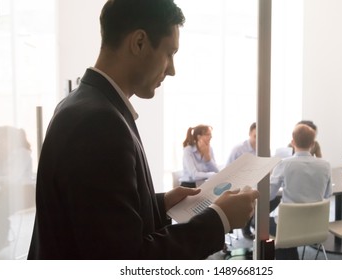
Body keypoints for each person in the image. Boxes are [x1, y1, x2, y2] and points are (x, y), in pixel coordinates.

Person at [28, 0, 259, 260]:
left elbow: (95, 221)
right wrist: (220, 219)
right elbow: (127, 260)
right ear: (138, 43)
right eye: (170, 53)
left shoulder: (81, 104)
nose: (172, 70)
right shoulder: (99, 123)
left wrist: (159, 205)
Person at [269, 124, 332, 259]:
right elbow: (327, 195)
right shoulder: (325, 165)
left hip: (289, 226)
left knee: (261, 223)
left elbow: (269, 195)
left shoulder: (284, 164)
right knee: (285, 228)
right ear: (313, 143)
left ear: (292, 142)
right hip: (316, 226)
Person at [0, 126, 34, 252]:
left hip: (24, 193)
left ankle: (3, 240)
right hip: (7, 192)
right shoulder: (4, 153)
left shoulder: (22, 153)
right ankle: (1, 235)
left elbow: (12, 179)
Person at [226, 122, 257, 239]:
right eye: (255, 136)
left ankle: (253, 222)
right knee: (252, 198)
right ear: (249, 134)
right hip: (237, 184)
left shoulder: (264, 148)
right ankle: (247, 226)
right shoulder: (238, 149)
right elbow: (227, 170)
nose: (258, 140)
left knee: (272, 198)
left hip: (255, 184)